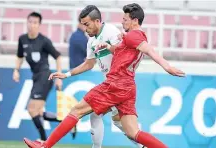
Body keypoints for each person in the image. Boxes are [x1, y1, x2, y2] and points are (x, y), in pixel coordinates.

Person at [24, 3, 185, 148]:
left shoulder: (132, 35)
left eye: (125, 19)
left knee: (76, 110)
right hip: (127, 87)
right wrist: (109, 47)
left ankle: (45, 146)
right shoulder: (125, 37)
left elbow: (149, 50)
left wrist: (167, 66)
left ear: (135, 21)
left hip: (115, 84)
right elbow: (117, 54)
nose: (122, 22)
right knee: (133, 132)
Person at [12, 12, 76, 141]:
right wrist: (16, 70)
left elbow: (58, 56)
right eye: (30, 22)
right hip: (36, 78)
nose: (32, 25)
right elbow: (20, 56)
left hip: (45, 77)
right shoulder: (22, 39)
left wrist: (58, 76)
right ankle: (67, 120)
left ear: (39, 25)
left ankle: (43, 141)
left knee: (31, 109)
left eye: (35, 23)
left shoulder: (44, 41)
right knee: (39, 112)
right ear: (27, 22)